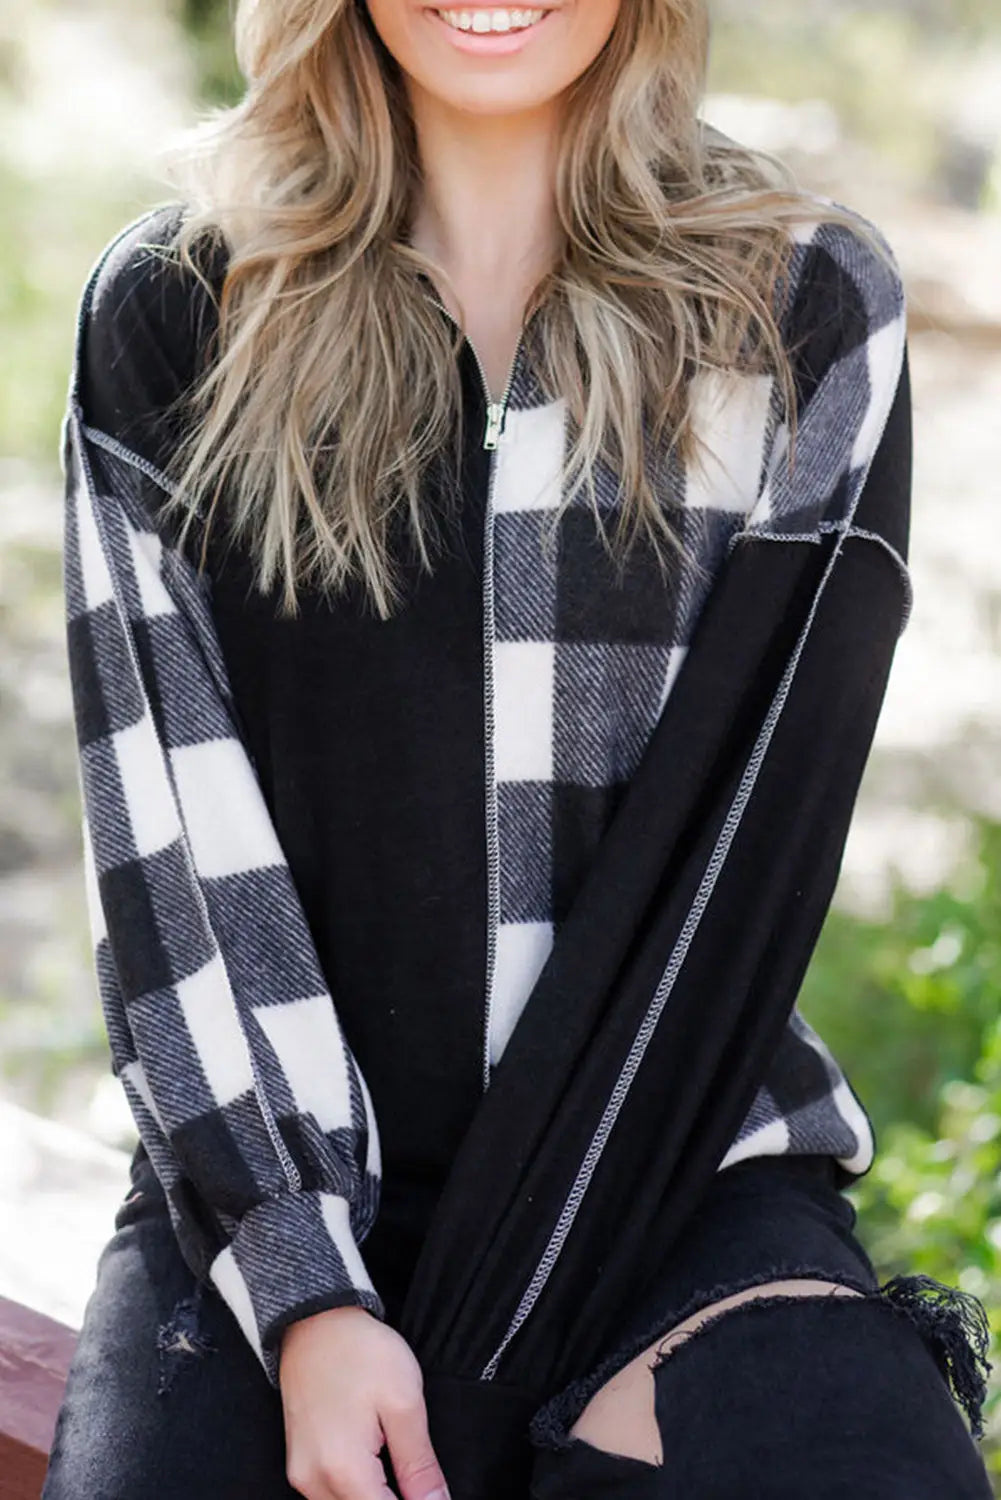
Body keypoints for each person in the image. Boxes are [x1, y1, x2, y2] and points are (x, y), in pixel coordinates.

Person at [43, 0, 994, 1497]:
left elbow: (732, 881)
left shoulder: (800, 304)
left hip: (674, 1170)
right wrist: (307, 1289)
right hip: (268, 1187)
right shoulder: (180, 309)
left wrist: (476, 1378)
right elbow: (166, 844)